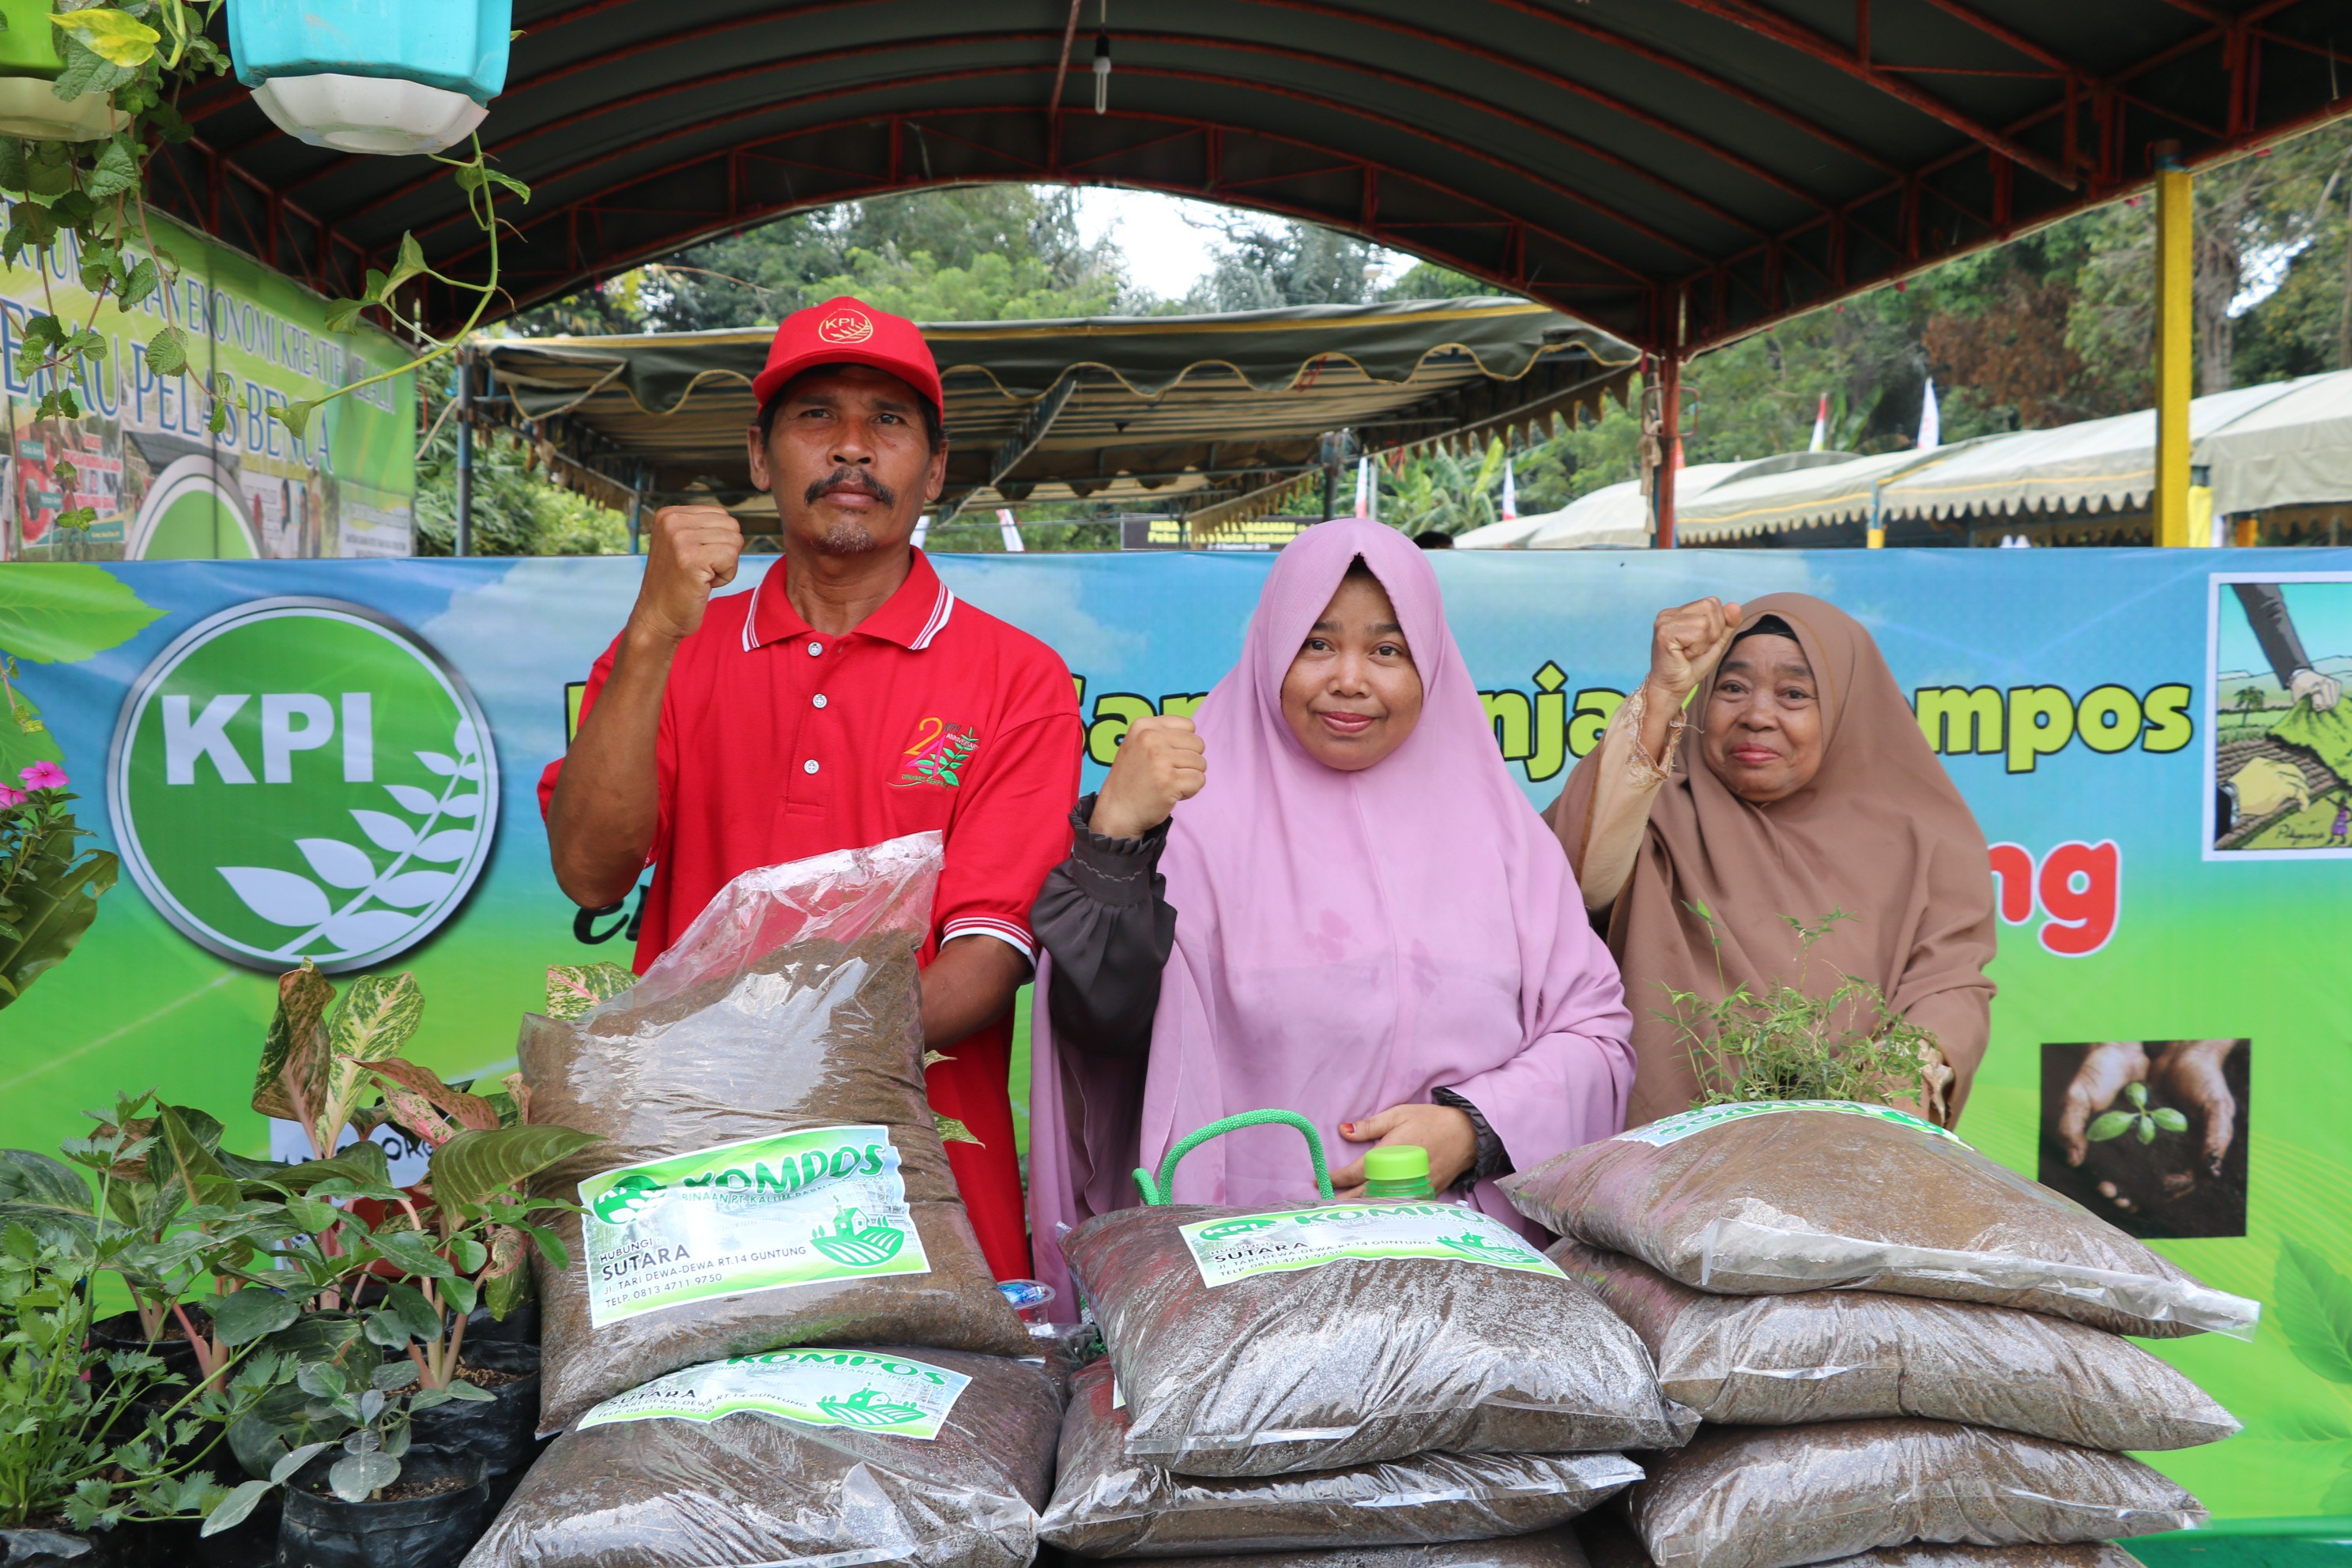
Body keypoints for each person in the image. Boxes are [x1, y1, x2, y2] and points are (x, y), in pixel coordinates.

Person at [541, 296, 1081, 1282]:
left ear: (935, 468)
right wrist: (656, 632)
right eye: (816, 416)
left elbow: (988, 956)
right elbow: (589, 872)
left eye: (889, 420)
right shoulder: (672, 646)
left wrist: (771, 1062)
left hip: (919, 1182)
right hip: (689, 1181)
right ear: (760, 457)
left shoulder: (1016, 676)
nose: (852, 448)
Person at [1026, 517, 1634, 1306]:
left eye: (1386, 650)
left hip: (1463, 1288)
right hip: (1240, 1285)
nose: (1350, 678)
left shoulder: (1501, 834)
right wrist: (1113, 839)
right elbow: (1100, 1027)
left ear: (1431, 666)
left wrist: (1472, 1129)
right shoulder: (1190, 818)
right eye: (1317, 644)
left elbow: (1595, 1034)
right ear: (1272, 649)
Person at [1547, 593, 1996, 1128]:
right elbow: (1575, 882)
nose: (1758, 716)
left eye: (1793, 694)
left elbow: (1950, 987)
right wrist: (1665, 692)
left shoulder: (1925, 840)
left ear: (1846, 711)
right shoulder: (1650, 811)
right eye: (1732, 688)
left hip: (1848, 1155)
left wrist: (1894, 1086)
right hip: (1661, 1168)